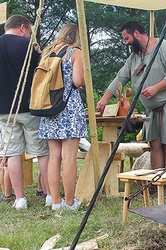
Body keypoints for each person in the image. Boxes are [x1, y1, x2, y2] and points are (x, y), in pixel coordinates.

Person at [96, 21, 166, 174]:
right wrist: (105, 99)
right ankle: (156, 182)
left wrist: (156, 88)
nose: (126, 43)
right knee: (155, 145)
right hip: (152, 109)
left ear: (137, 34)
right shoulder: (134, 58)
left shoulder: (162, 47)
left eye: (127, 38)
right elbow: (120, 77)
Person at [0, 14, 50, 210]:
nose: (30, 36)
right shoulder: (29, 48)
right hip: (30, 108)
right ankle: (49, 194)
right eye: (30, 32)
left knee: (12, 154)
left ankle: (20, 199)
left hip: (3, 110)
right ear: (22, 28)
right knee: (43, 152)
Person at [38, 23, 87, 211]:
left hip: (49, 108)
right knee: (69, 157)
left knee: (54, 157)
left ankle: (55, 201)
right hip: (68, 109)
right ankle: (69, 202)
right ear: (77, 36)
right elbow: (77, 81)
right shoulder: (75, 52)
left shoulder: (48, 52)